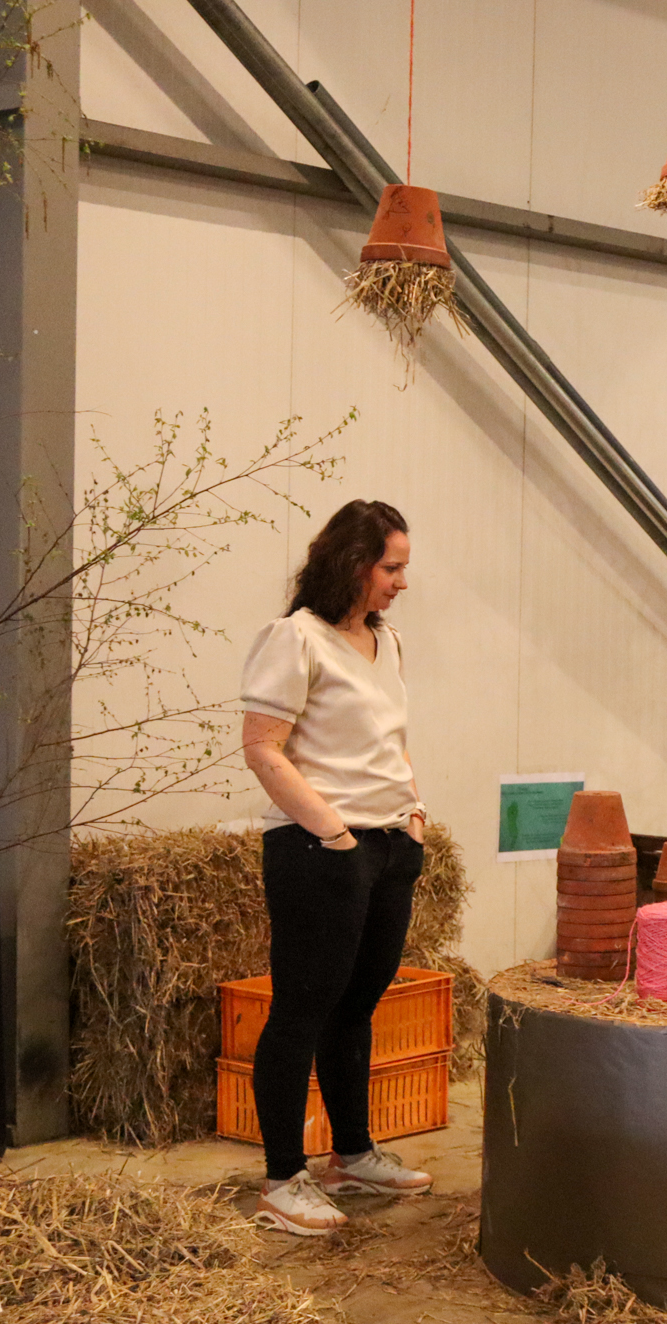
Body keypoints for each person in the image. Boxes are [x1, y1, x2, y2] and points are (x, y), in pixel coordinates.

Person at [240, 500, 434, 1236]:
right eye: (392, 567)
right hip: (318, 846)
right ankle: (282, 1179)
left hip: (389, 843)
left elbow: (391, 741)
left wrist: (414, 814)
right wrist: (335, 835)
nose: (402, 582)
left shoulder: (388, 642)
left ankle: (350, 1155)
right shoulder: (296, 638)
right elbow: (263, 747)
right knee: (302, 1008)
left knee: (357, 1005)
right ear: (353, 563)